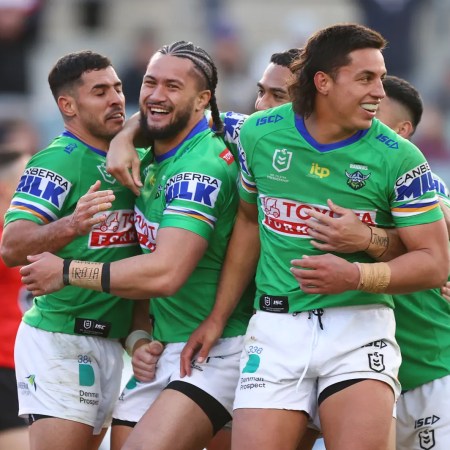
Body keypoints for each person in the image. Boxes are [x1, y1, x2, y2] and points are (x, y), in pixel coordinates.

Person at [179, 23, 448, 450]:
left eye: (380, 78)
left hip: (358, 325)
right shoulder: (259, 132)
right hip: (276, 326)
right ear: (323, 82)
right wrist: (217, 317)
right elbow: (248, 223)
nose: (379, 91)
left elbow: (434, 262)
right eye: (365, 78)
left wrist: (356, 276)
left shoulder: (399, 156)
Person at [19, 40, 254, 450]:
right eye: (150, 82)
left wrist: (68, 271)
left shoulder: (199, 168)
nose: (156, 95)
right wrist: (139, 338)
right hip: (156, 349)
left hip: (216, 348)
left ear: (203, 100)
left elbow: (165, 273)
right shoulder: (145, 156)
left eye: (173, 86)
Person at [0, 50, 149, 450]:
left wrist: (129, 134)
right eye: (99, 92)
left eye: (118, 88)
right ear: (67, 105)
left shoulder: (133, 156)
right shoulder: (57, 161)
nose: (115, 99)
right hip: (61, 338)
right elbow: (12, 245)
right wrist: (72, 224)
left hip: (112, 342)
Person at [301, 75, 450, 450]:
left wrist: (367, 239)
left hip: (429, 373)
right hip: (349, 368)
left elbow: (441, 226)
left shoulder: (420, 185)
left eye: (373, 113)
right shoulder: (319, 168)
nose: (358, 120)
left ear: (402, 132)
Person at [0, 147, 31, 450]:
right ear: (7, 188)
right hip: (4, 366)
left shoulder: (28, 235)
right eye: (28, 178)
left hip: (25, 366)